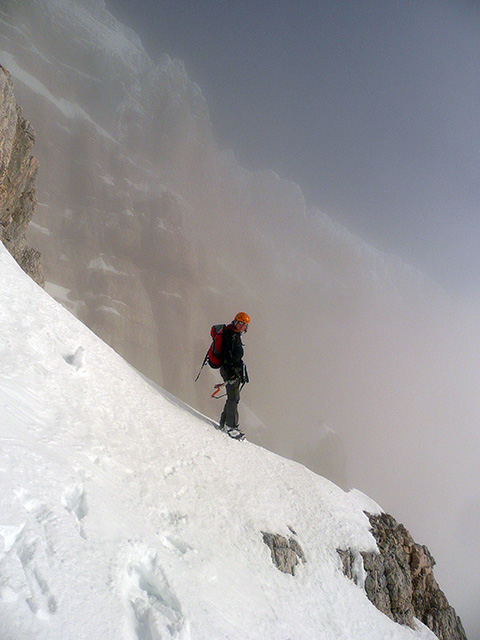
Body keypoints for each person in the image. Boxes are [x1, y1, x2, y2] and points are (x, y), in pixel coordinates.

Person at [219, 312, 250, 438]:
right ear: (236, 321)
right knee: (234, 398)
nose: (242, 326)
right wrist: (232, 373)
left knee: (232, 397)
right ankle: (231, 427)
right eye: (241, 322)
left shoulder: (234, 334)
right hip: (230, 371)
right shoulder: (231, 335)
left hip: (232, 370)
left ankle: (224, 423)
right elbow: (227, 355)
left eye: (245, 324)